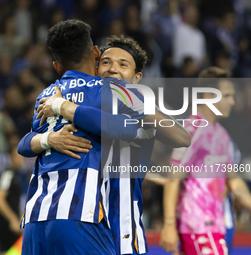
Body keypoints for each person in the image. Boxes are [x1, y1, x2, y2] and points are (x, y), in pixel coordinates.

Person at [18, 32, 191, 255]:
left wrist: (63, 105)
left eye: (123, 64)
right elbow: (26, 142)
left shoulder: (134, 102)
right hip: (88, 219)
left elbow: (181, 137)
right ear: (96, 67)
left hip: (122, 228)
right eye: (106, 62)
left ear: (136, 77)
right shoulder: (94, 100)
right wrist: (48, 138)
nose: (112, 68)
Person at [160, 67, 251, 255]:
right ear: (209, 96)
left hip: (215, 226)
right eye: (227, 96)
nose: (232, 102)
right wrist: (169, 225)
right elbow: (173, 179)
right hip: (196, 225)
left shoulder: (222, 135)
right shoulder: (192, 130)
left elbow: (232, 180)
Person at [0, 146, 24, 255]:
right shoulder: (8, 173)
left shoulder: (17, 174)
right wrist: (12, 219)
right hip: (5, 223)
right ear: (11, 157)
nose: (22, 158)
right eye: (18, 156)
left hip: (11, 223)